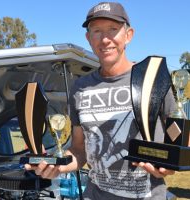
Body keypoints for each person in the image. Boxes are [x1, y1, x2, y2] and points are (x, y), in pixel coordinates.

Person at [25, 2, 176, 199]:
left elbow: (180, 137)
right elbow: (79, 150)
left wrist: (171, 163)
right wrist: (57, 166)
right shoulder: (79, 87)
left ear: (128, 35)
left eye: (113, 29)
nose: (105, 39)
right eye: (97, 31)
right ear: (88, 38)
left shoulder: (152, 79)